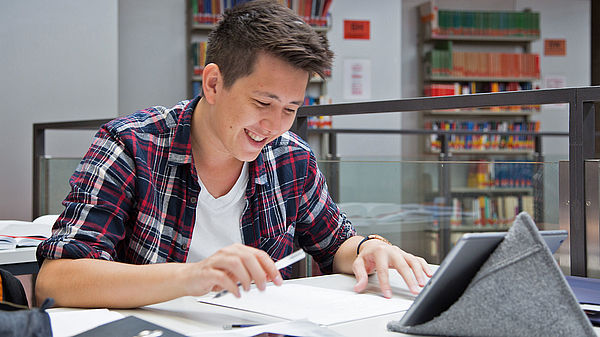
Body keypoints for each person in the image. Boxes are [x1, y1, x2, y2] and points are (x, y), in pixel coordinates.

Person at [35, 0, 432, 309]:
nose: (276, 125)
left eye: (291, 109)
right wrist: (194, 277)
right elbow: (58, 280)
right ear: (213, 83)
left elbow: (334, 244)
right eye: (263, 102)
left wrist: (369, 248)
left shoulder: (290, 157)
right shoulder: (130, 146)